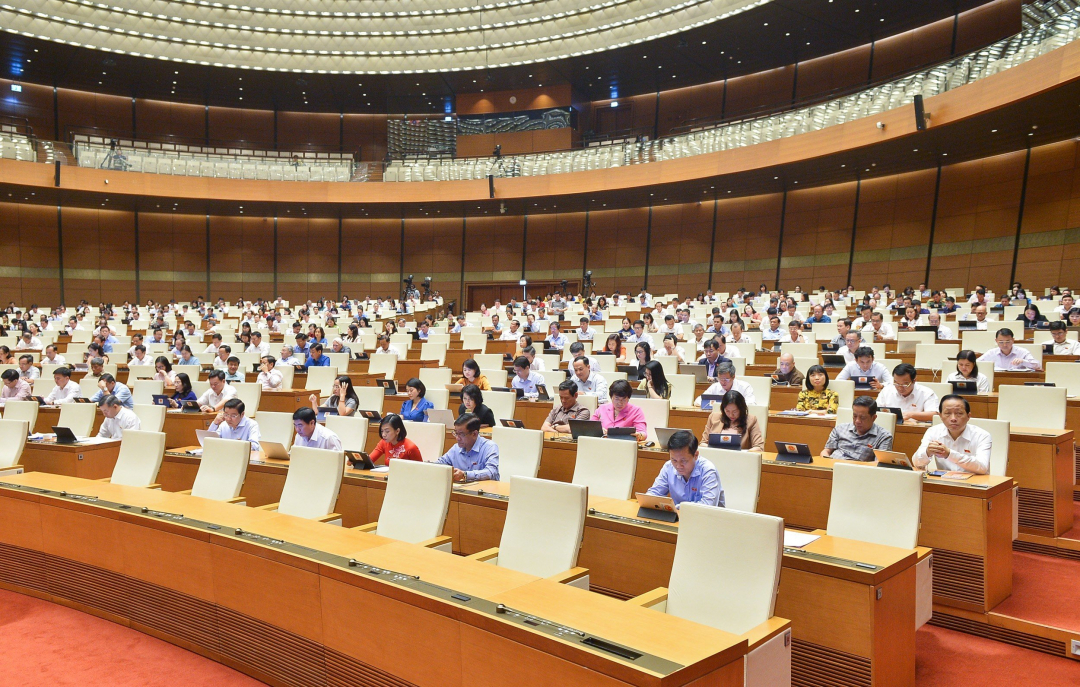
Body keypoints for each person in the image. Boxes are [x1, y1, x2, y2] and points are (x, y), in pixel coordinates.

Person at [913, 395, 992, 475]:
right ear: (940, 416)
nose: (953, 418)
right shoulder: (933, 431)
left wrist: (949, 454)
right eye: (947, 413)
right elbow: (916, 463)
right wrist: (927, 452)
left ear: (968, 416)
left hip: (975, 483)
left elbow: (982, 468)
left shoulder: (982, 435)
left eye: (959, 413)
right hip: (944, 483)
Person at [645, 430, 724, 508]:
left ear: (696, 455)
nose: (678, 466)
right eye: (674, 460)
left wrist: (678, 507)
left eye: (684, 461)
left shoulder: (708, 471)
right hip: (679, 518)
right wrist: (647, 500)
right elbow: (654, 493)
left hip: (707, 519)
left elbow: (708, 506)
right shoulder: (668, 467)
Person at [822, 396, 893, 461]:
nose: (857, 421)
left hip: (858, 472)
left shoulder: (884, 437)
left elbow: (878, 464)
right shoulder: (840, 429)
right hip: (833, 467)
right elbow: (826, 451)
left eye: (862, 418)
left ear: (873, 418)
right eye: (855, 416)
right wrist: (826, 460)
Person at [436, 413, 500, 483]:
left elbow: (491, 472)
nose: (457, 438)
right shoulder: (456, 448)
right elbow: (440, 463)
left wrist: (465, 475)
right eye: (456, 433)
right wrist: (429, 465)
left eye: (461, 434)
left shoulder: (489, 447)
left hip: (485, 490)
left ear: (474, 434)